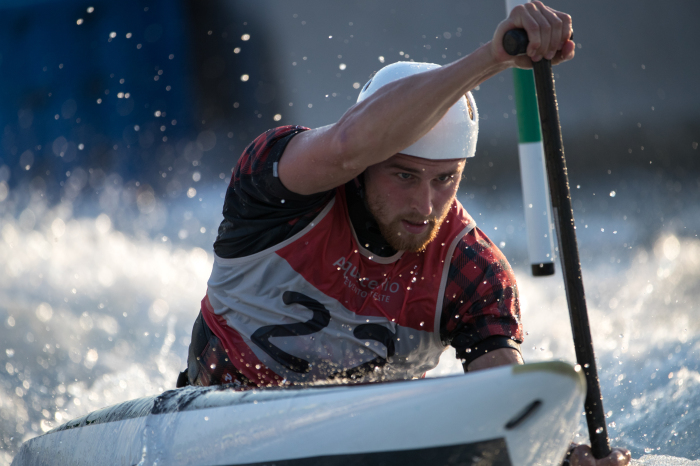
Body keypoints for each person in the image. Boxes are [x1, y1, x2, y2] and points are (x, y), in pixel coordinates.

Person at [177, 2, 630, 464]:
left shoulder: (471, 269)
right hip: (215, 426)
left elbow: (506, 407)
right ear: (366, 168)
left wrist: (560, 454)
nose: (425, 206)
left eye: (445, 179)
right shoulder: (280, 187)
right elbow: (349, 144)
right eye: (404, 177)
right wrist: (492, 59)